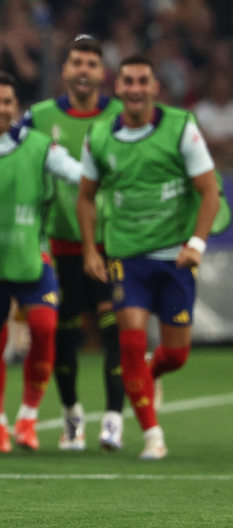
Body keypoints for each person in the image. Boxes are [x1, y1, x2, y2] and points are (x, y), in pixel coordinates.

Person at [77, 55, 219, 460]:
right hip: (126, 257)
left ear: (155, 87)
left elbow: (209, 191)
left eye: (143, 80)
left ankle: (150, 373)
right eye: (128, 81)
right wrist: (91, 249)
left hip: (175, 257)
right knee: (130, 341)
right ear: (116, 87)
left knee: (175, 354)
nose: (135, 88)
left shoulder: (180, 128)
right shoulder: (99, 136)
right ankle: (153, 435)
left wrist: (197, 243)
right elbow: (86, 197)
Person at [0, 71, 84, 453]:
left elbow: (79, 174)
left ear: (16, 108)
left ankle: (28, 418)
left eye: (7, 102)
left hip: (33, 260)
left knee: (45, 328)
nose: (0, 108)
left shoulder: (39, 147)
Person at [21, 36, 125, 452]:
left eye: (92, 64)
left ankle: (114, 420)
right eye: (76, 62)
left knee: (116, 329)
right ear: (64, 70)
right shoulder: (39, 117)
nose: (84, 70)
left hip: (114, 241)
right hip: (59, 244)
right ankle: (71, 417)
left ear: (102, 73)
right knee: (64, 336)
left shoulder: (121, 115)